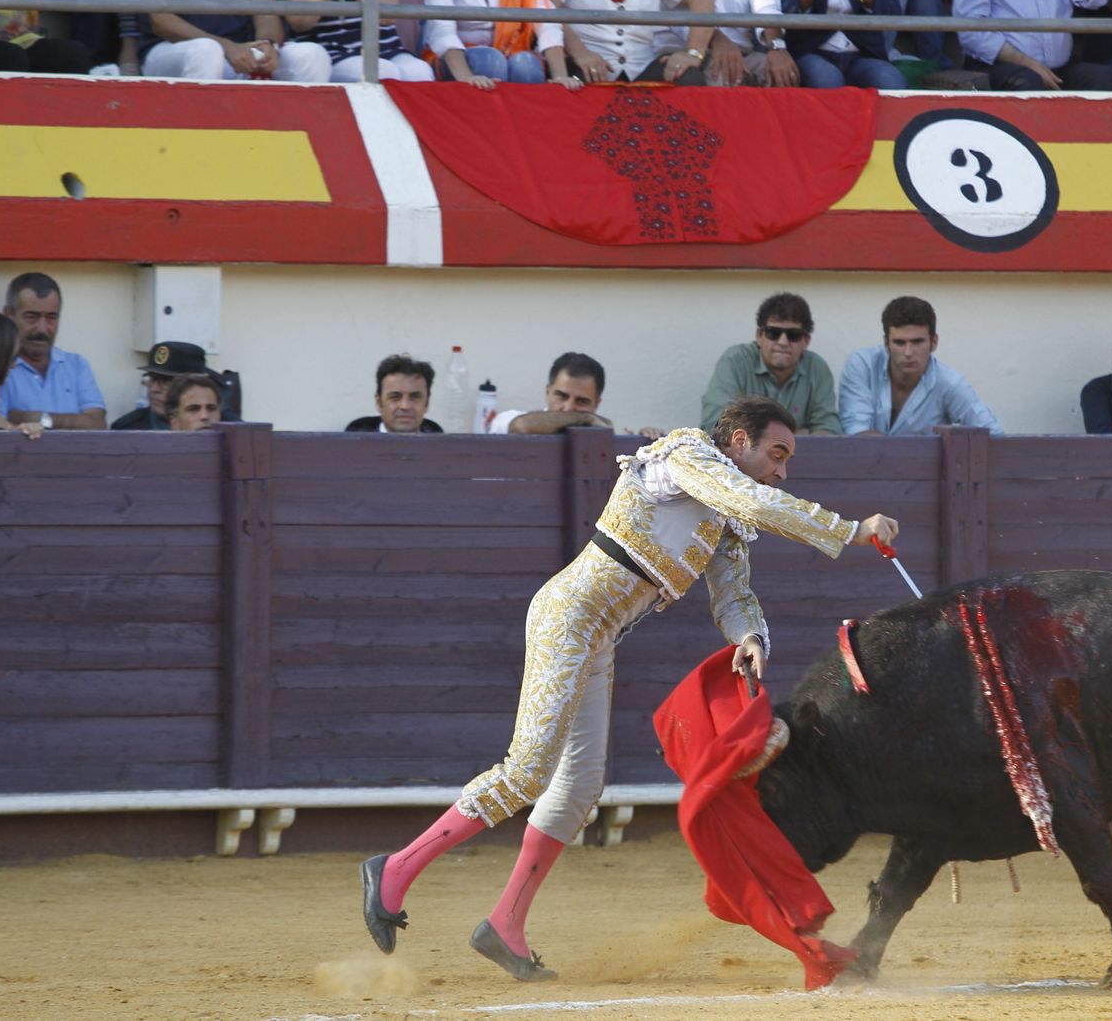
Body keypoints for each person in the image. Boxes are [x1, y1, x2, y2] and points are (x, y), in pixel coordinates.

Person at [359, 396, 901, 982]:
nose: (782, 469)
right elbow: (750, 496)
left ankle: (505, 924)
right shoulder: (685, 455)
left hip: (599, 633)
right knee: (528, 771)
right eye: (777, 452)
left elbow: (733, 591)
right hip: (569, 616)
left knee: (578, 786)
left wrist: (749, 637)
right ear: (738, 440)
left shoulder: (724, 516)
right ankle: (394, 870)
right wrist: (849, 530)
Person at [138, 0, 331, 80]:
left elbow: (266, 16)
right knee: (206, 51)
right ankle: (199, 138)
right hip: (170, 51)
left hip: (240, 51)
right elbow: (162, 21)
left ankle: (298, 138)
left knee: (311, 55)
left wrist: (268, 44)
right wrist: (226, 47)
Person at [951, 0, 1112, 91]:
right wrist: (1028, 64)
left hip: (1058, 69)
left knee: (1105, 78)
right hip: (999, 66)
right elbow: (972, 30)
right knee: (1027, 82)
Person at [543, 0, 717, 85]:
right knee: (573, 86)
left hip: (642, 67)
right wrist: (580, 53)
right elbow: (546, 6)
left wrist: (693, 53)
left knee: (688, 76)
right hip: (587, 67)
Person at [839, 296, 1002, 435]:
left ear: (934, 342)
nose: (908, 352)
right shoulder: (862, 365)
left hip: (924, 472)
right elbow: (856, 435)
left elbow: (993, 436)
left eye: (917, 342)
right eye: (899, 342)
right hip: (863, 469)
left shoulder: (949, 383)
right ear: (886, 344)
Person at [421, 0, 575, 88]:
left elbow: (545, 20)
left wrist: (560, 76)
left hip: (511, 51)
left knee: (526, 66)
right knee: (489, 60)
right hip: (457, 60)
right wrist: (466, 78)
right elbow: (441, 29)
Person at [699, 294, 840, 435]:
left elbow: (829, 434)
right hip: (738, 457)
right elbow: (717, 425)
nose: (783, 342)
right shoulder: (735, 361)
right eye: (774, 333)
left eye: (793, 335)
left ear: (806, 341)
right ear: (759, 335)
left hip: (801, 456)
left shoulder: (817, 369)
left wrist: (755, 433)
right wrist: (795, 435)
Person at [280, 0, 432, 82]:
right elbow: (298, 22)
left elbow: (390, 17)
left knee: (420, 72)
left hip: (383, 44)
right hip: (329, 49)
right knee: (382, 72)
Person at [651, 0, 798, 86]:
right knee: (724, 78)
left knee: (785, 76)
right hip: (682, 51)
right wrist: (717, 40)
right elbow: (676, 15)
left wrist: (777, 47)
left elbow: (765, 3)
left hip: (742, 54)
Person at [774, 0, 907, 89]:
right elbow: (783, 10)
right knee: (826, 79)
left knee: (890, 80)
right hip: (811, 50)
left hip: (862, 52)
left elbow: (892, 12)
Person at [0, 273, 108, 430]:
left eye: (51, 317)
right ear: (8, 315)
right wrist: (74, 421)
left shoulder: (76, 365)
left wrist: (37, 418)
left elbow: (98, 424)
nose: (42, 328)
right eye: (32, 317)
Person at [488, 352, 659, 437]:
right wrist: (585, 418)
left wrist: (646, 445)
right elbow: (522, 427)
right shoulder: (508, 419)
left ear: (596, 403)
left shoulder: (604, 436)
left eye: (582, 401)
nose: (569, 407)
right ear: (547, 392)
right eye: (561, 396)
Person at [112, 342, 211, 431]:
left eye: (166, 382)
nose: (154, 389)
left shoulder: (219, 426)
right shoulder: (127, 429)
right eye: (152, 379)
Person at [346, 353, 444, 433]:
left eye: (415, 397)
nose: (405, 406)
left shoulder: (443, 451)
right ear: (379, 402)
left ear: (427, 403)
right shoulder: (353, 449)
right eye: (395, 397)